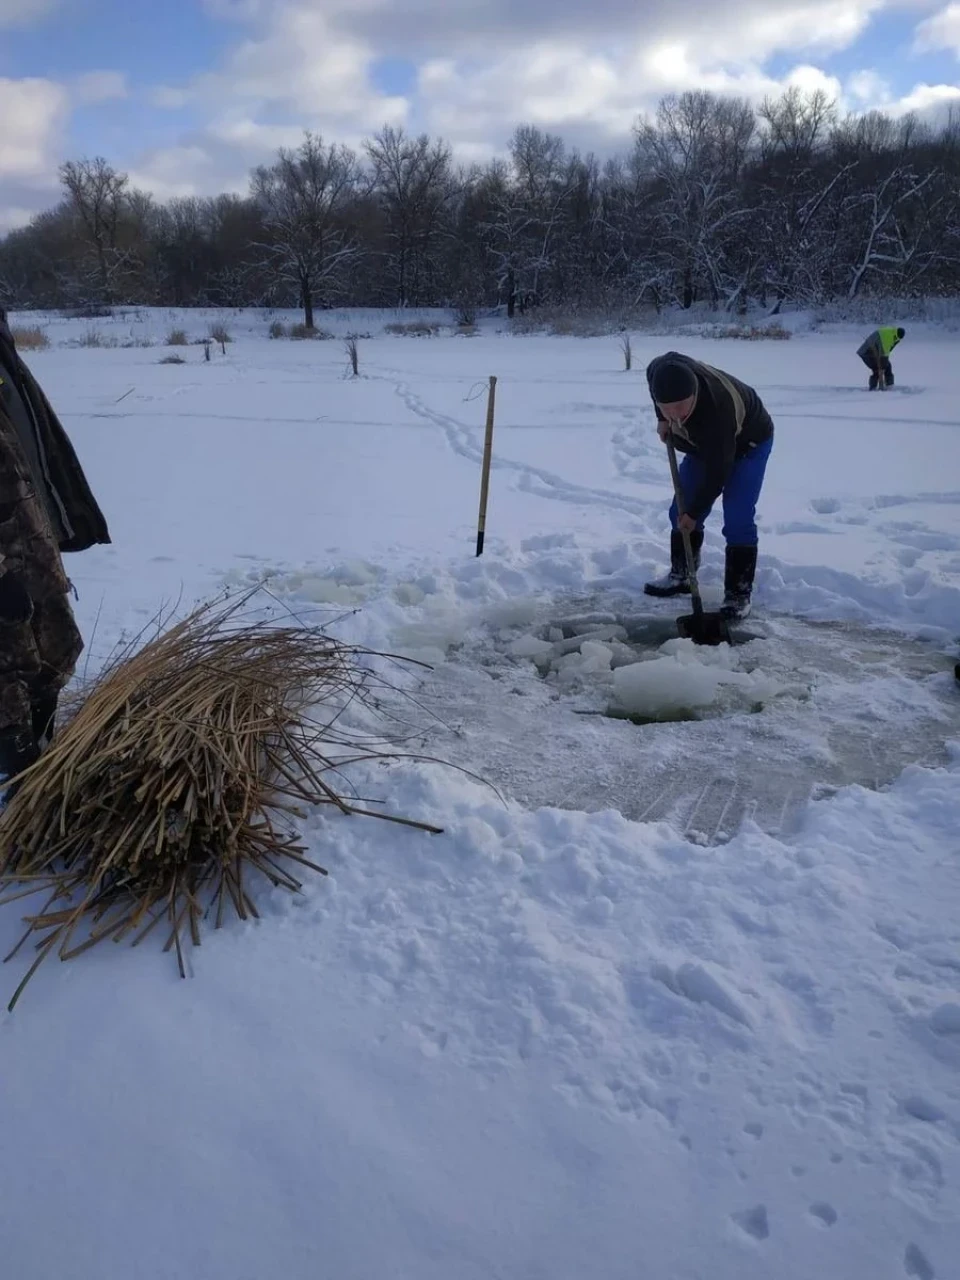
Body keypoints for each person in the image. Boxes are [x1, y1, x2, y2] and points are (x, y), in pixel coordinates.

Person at [0, 306, 110, 797]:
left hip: (26, 530)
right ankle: (16, 770)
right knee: (10, 661)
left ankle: (38, 746)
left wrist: (58, 516)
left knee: (56, 642)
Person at [643, 352, 774, 620]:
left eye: (680, 406)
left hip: (749, 444)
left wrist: (694, 513)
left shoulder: (717, 409)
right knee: (677, 512)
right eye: (666, 407)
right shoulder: (659, 371)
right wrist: (661, 417)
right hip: (704, 447)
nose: (674, 415)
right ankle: (682, 575)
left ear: (694, 394)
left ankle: (738, 594)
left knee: (737, 516)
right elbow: (655, 383)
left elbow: (718, 472)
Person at [857, 326, 904, 390]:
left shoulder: (893, 334)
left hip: (876, 351)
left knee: (887, 366)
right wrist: (882, 368)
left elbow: (887, 351)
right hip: (866, 353)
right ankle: (873, 388)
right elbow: (884, 355)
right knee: (877, 368)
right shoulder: (888, 337)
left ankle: (889, 386)